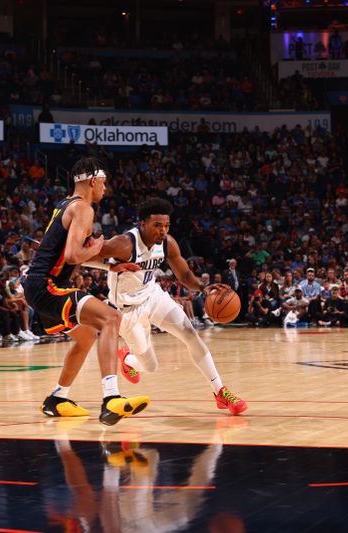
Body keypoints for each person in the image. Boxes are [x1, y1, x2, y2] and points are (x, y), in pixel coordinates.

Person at [88, 197, 246, 415]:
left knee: (190, 333)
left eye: (166, 226)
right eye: (157, 225)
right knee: (150, 366)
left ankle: (220, 391)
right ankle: (128, 358)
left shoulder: (167, 243)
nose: (162, 231)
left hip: (153, 296)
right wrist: (109, 266)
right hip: (127, 310)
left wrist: (203, 287)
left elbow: (184, 274)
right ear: (142, 224)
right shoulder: (124, 244)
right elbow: (80, 256)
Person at [23, 157, 149, 426]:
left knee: (87, 335)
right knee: (111, 319)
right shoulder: (84, 208)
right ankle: (111, 398)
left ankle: (58, 398)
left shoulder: (66, 205)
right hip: (47, 286)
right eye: (103, 183)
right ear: (93, 181)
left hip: (37, 286)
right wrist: (97, 246)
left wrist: (108, 266)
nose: (105, 189)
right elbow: (72, 255)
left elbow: (72, 254)